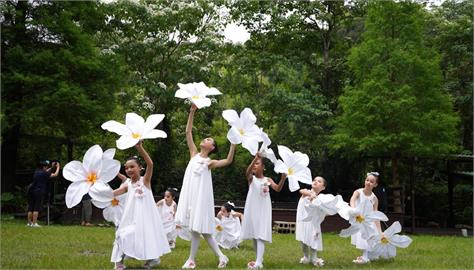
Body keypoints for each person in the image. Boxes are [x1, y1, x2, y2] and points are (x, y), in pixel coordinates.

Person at [175, 104, 237, 269]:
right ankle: (220, 257)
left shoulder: (209, 163)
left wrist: (233, 142)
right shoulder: (193, 153)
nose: (205, 139)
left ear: (212, 148)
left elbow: (228, 161)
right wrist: (192, 111)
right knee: (201, 230)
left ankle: (192, 260)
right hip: (191, 196)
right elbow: (188, 132)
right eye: (206, 138)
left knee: (199, 229)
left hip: (201, 199)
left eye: (209, 140)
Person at [110, 141, 170, 270]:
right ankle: (118, 262)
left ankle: (150, 260)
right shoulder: (127, 184)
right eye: (126, 168)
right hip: (132, 218)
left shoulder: (145, 181)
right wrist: (97, 191)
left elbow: (150, 163)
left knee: (148, 237)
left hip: (146, 218)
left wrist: (140, 148)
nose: (129, 170)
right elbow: (113, 193)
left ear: (140, 168)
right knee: (122, 234)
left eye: (132, 167)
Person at [240, 153, 287, 269]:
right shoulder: (251, 178)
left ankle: (259, 262)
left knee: (260, 234)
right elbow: (247, 172)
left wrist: (283, 179)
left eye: (257, 164)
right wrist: (255, 159)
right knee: (255, 235)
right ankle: (258, 259)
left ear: (263, 167)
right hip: (253, 208)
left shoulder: (268, 179)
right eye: (254, 164)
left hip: (264, 209)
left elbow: (277, 188)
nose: (255, 166)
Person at [296, 176, 342, 267]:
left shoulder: (320, 199)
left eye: (319, 181)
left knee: (314, 240)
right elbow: (301, 191)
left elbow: (324, 211)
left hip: (313, 223)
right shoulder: (307, 192)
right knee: (303, 241)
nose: (316, 181)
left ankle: (314, 257)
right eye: (314, 180)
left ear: (323, 187)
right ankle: (306, 256)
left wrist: (326, 211)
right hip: (303, 222)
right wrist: (310, 195)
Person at [349, 172, 382, 264]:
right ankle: (365, 256)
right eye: (367, 180)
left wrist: (379, 231)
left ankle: (366, 257)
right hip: (360, 219)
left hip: (369, 221)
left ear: (375, 184)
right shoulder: (358, 192)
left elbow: (376, 214)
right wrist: (354, 209)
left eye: (371, 182)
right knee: (363, 238)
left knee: (369, 239)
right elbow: (352, 200)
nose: (368, 183)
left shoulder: (374, 198)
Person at [27, 160, 60, 227]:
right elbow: (55, 174)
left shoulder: (36, 172)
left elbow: (46, 171)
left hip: (32, 191)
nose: (46, 168)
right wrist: (58, 167)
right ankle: (34, 223)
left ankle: (29, 223)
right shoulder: (44, 173)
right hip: (39, 191)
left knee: (31, 208)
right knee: (36, 207)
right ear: (43, 167)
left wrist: (52, 167)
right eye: (46, 166)